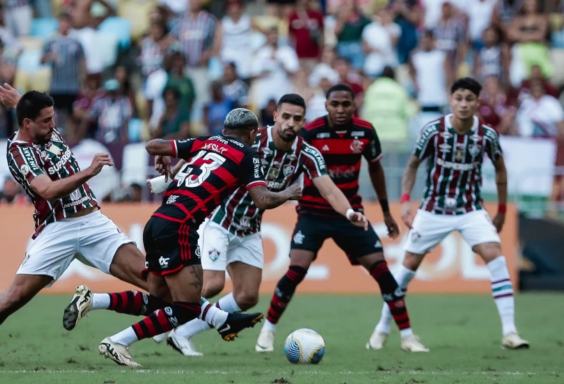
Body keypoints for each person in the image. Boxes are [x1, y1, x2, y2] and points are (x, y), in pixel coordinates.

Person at [0, 87, 172, 364]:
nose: (54, 125)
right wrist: (88, 171)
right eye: (47, 120)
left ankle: (96, 302)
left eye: (52, 118)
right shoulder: (18, 151)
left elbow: (29, 109)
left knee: (159, 287)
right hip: (56, 229)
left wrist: (19, 100)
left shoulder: (43, 127)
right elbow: (47, 189)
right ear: (28, 123)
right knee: (14, 297)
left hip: (93, 223)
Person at [163, 94, 367, 356]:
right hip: (221, 220)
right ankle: (162, 315)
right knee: (212, 285)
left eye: (296, 119)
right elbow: (208, 148)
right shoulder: (252, 138)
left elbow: (329, 189)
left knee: (247, 296)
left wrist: (349, 212)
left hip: (250, 230)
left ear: (303, 121)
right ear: (275, 116)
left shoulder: (307, 153)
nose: (290, 123)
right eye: (285, 117)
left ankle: (181, 333)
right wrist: (176, 173)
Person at [97, 108, 303, 366]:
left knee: (159, 300)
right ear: (252, 133)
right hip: (181, 227)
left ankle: (95, 300)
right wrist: (288, 193)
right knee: (188, 306)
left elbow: (152, 145)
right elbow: (261, 198)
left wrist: (165, 156)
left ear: (225, 129)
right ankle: (120, 341)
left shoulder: (208, 141)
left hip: (157, 222)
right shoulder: (248, 154)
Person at [256, 84, 429, 353]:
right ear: (326, 105)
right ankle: (267, 331)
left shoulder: (366, 132)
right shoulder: (310, 132)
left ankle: (407, 336)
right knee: (296, 270)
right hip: (313, 212)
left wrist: (385, 212)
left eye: (345, 104)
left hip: (349, 213)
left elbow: (376, 171)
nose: (340, 109)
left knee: (382, 271)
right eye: (334, 104)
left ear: (354, 105)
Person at [367, 78, 530, 350]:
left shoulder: (487, 135)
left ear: (478, 102)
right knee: (407, 269)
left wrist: (501, 209)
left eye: (469, 99)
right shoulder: (433, 130)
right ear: (451, 99)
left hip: (470, 209)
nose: (463, 104)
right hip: (433, 209)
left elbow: (501, 170)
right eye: (459, 98)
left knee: (496, 256)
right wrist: (405, 201)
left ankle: (510, 333)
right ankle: (382, 328)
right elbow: (412, 165)